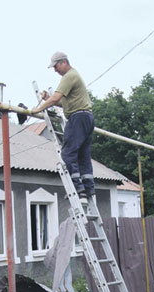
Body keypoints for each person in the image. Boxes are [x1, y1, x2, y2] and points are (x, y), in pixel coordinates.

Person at [31, 51, 95, 197]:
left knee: (67, 153)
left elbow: (55, 98)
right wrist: (48, 97)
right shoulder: (75, 76)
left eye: (56, 66)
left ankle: (77, 188)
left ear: (64, 62)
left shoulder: (69, 76)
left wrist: (38, 109)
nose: (55, 70)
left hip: (77, 117)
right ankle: (88, 187)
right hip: (87, 117)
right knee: (83, 155)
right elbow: (62, 102)